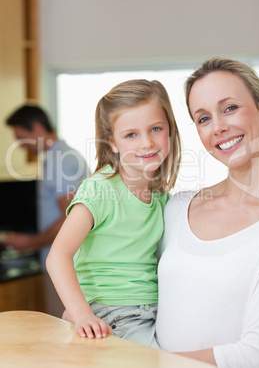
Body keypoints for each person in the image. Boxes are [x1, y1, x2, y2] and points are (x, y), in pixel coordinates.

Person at [46, 79, 181, 346]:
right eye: (131, 134)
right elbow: (57, 256)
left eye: (156, 128)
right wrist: (82, 314)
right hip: (112, 313)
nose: (146, 143)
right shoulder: (99, 189)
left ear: (170, 131)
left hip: (152, 311)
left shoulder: (163, 199)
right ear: (113, 143)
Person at [155, 58, 259, 367]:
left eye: (229, 108)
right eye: (203, 118)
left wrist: (140, 362)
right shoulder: (178, 208)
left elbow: (258, 354)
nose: (218, 127)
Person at [3, 105, 90, 316]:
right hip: (65, 264)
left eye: (22, 138)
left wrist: (31, 242)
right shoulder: (61, 156)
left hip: (65, 267)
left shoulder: (60, 161)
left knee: (65, 332)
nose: (20, 146)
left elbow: (69, 218)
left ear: (37, 128)